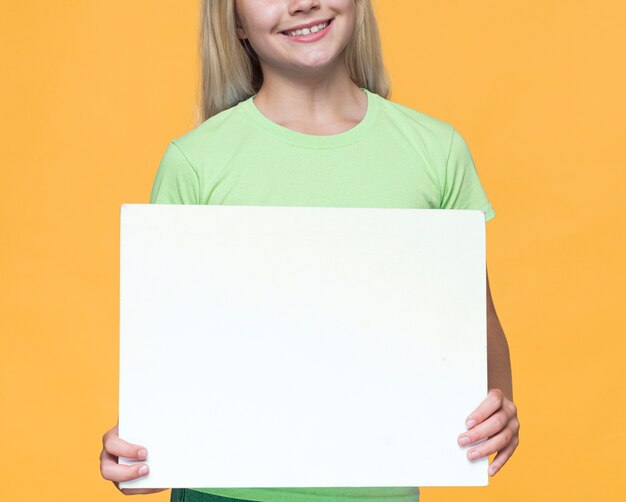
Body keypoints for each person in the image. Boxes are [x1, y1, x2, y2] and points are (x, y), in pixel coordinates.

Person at [99, 0, 520, 500]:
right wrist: (139, 448)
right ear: (234, 20)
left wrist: (499, 409)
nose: (302, 3)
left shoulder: (434, 152)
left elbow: (476, 332)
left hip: (378, 493)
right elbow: (168, 362)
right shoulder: (196, 164)